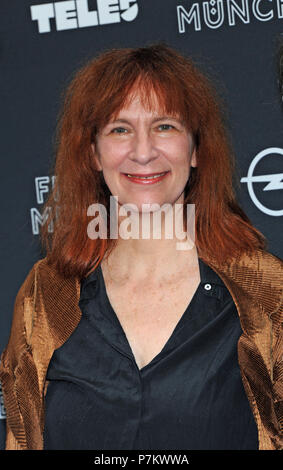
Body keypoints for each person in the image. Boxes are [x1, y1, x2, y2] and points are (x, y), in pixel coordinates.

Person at [0, 44, 282, 451]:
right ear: (93, 153)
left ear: (197, 148)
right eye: (120, 129)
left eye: (165, 126)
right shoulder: (46, 295)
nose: (144, 151)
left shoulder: (267, 291)